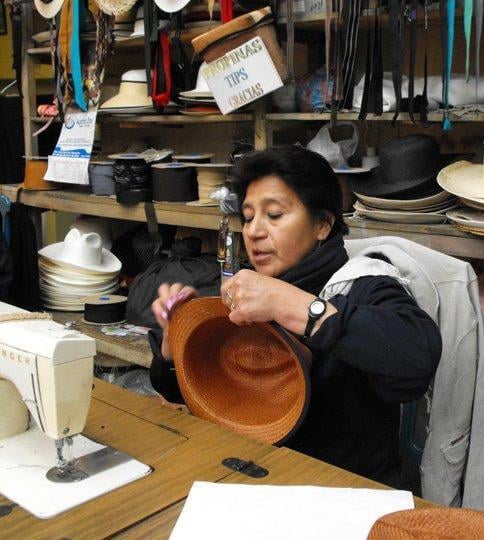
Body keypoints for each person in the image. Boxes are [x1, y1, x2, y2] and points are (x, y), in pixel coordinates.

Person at [149, 145, 442, 486]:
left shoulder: (363, 286)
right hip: (261, 484)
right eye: (247, 217)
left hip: (345, 498)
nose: (254, 231)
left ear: (322, 225)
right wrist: (176, 340)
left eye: (274, 215)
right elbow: (187, 392)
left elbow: (417, 358)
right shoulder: (254, 291)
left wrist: (300, 308)